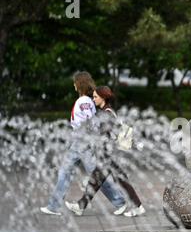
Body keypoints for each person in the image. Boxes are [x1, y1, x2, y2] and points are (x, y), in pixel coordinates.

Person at [40, 72, 127, 216]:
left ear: (79, 84)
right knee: (67, 172)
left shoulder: (84, 101)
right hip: (79, 142)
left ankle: (120, 201)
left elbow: (89, 122)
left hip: (83, 142)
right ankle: (53, 206)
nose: (73, 84)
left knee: (95, 176)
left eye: (75, 82)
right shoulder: (86, 100)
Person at [65, 86, 146, 217]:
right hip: (107, 153)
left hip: (109, 154)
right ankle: (81, 205)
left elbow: (107, 132)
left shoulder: (107, 112)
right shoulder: (104, 111)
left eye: (96, 97)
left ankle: (138, 207)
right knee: (99, 180)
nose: (93, 99)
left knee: (115, 180)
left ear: (103, 97)